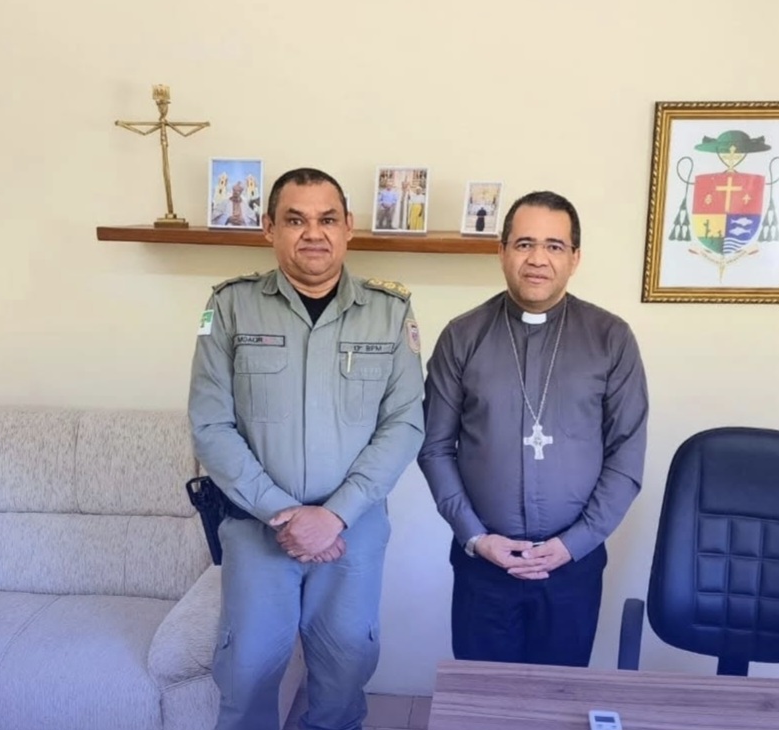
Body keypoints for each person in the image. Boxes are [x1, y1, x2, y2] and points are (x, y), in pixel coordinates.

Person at [188, 167, 425, 730]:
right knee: (246, 675)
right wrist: (283, 513)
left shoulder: (390, 311)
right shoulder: (229, 306)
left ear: (349, 227)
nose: (313, 233)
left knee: (345, 673)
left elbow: (404, 424)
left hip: (352, 530)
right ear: (269, 228)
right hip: (256, 527)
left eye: (327, 219)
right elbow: (210, 424)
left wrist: (334, 516)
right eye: (295, 220)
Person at [417, 190, 648, 668]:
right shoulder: (463, 336)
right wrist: (475, 537)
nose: (538, 259)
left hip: (573, 565)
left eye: (554, 246)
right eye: (524, 244)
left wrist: (573, 544)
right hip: (484, 562)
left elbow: (626, 455)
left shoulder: (611, 338)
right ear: (502, 252)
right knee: (484, 695)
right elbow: (435, 447)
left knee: (558, 697)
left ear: (575, 258)